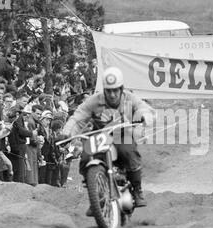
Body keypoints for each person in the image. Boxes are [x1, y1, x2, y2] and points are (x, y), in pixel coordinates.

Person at [62, 66, 155, 214]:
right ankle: (95, 196)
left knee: (129, 151)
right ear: (104, 90)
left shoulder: (129, 97)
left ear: (121, 88)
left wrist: (144, 117)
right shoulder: (94, 101)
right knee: (86, 157)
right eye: (109, 91)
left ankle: (137, 190)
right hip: (100, 137)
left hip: (122, 135)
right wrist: (67, 132)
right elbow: (78, 117)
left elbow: (143, 108)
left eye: (115, 90)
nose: (112, 94)